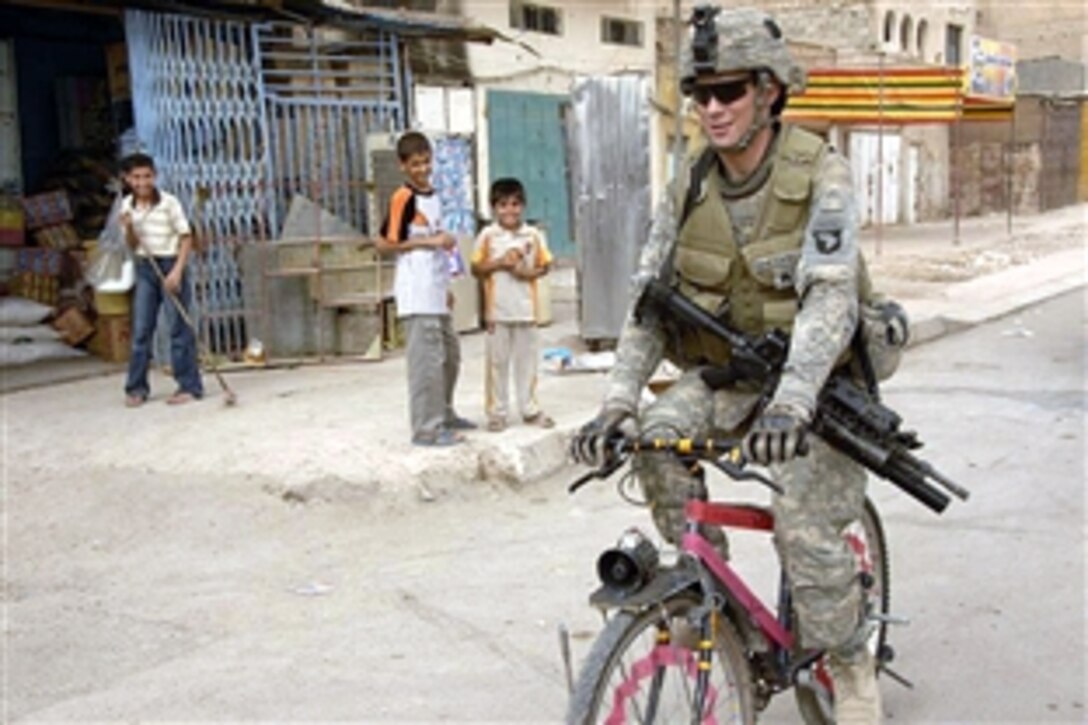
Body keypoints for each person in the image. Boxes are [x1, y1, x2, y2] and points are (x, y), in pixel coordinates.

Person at [571, 6, 887, 723]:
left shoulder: (821, 173)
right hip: (729, 380)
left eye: (730, 90)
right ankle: (702, 587)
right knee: (653, 439)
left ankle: (848, 657)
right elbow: (649, 303)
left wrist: (795, 400)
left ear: (770, 90)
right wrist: (616, 402)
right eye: (700, 93)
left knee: (802, 526)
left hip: (819, 389)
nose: (712, 108)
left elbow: (831, 299)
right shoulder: (689, 183)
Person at [376, 131, 475, 446]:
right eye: (415, 164)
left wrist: (445, 283)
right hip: (416, 293)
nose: (422, 169)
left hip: (435, 289)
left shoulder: (432, 196)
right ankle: (426, 428)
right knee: (426, 364)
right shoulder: (403, 198)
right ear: (403, 166)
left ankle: (444, 411)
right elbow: (385, 243)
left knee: (449, 356)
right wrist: (430, 241)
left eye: (426, 162)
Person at [470, 178, 555, 433]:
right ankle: (496, 413)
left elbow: (545, 265)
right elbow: (476, 268)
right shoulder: (488, 235)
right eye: (503, 205)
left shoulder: (533, 235)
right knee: (497, 363)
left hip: (527, 311)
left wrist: (526, 272)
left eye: (515, 204)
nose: (510, 210)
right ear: (494, 208)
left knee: (527, 363)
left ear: (524, 206)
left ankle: (529, 409)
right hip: (497, 313)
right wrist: (499, 264)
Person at [119, 152, 203, 407]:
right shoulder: (126, 206)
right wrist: (130, 228)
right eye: (136, 177)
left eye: (147, 176)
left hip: (170, 263)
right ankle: (136, 388)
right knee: (142, 330)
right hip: (146, 267)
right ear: (127, 179)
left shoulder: (169, 203)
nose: (142, 182)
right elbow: (133, 245)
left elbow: (187, 237)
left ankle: (189, 386)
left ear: (154, 176)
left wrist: (177, 271)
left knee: (178, 328)